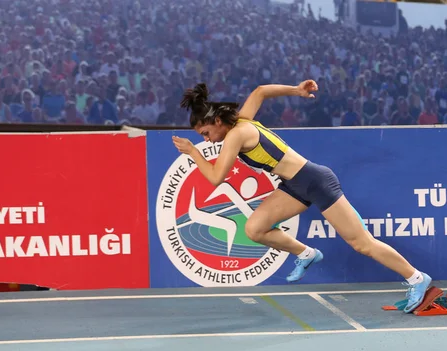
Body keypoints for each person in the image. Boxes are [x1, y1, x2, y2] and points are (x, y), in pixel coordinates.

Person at [172, 80, 432, 313]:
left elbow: (217, 177)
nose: (207, 140)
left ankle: (416, 278)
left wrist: (194, 153)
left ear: (217, 121)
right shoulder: (241, 122)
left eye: (205, 134)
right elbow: (260, 91)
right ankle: (306, 253)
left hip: (315, 181)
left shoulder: (237, 134)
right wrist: (295, 90)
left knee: (362, 244)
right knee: (255, 228)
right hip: (293, 185)